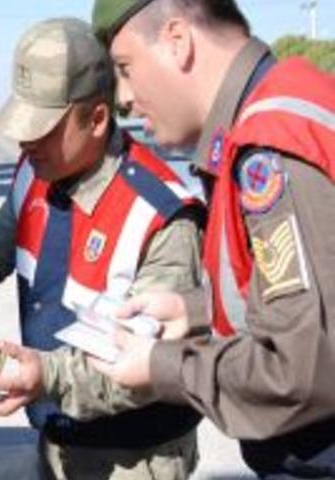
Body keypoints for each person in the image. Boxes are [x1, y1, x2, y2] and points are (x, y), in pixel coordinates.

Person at [0, 18, 205, 479]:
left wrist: (43, 376)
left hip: (135, 458)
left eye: (44, 127)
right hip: (59, 438)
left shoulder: (161, 214)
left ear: (97, 119)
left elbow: (147, 362)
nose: (26, 141)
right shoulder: (37, 169)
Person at [78, 1, 335, 477]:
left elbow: (302, 372)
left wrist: (162, 366)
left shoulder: (269, 147)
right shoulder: (293, 99)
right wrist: (194, 311)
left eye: (126, 69)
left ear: (178, 40)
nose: (125, 98)